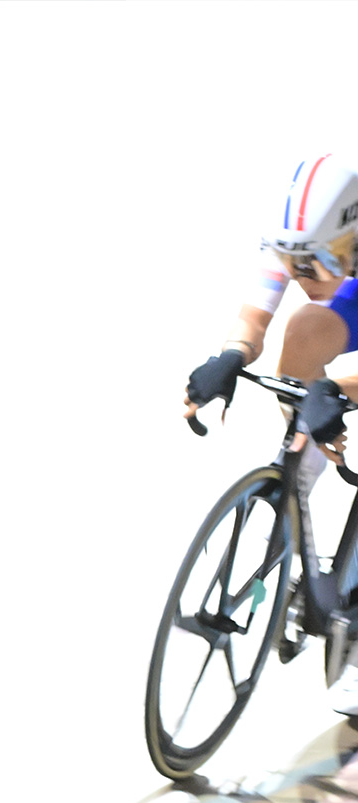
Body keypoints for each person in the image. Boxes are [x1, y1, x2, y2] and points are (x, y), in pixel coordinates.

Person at [186, 153, 358, 710]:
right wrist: (230, 357)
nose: (299, 274)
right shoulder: (301, 240)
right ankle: (294, 494)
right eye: (292, 262)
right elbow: (255, 319)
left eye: (311, 264)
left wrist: (337, 392)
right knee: (306, 329)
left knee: (325, 378)